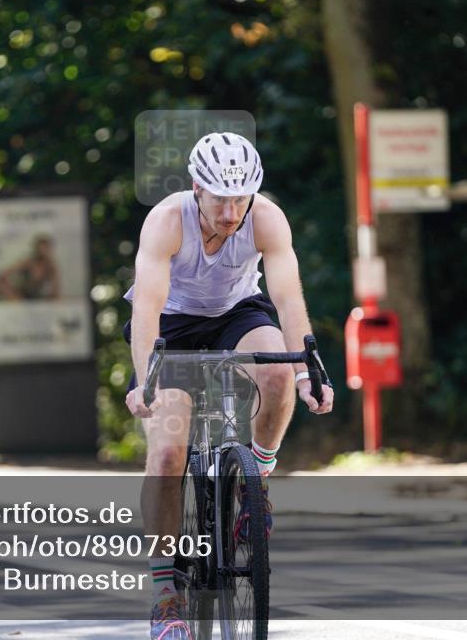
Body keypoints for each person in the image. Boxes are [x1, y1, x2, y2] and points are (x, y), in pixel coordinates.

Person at [123, 133, 333, 639]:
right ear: (197, 187)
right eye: (220, 196)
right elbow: (147, 307)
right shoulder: (167, 221)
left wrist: (308, 371)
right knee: (170, 453)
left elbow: (285, 297)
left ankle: (255, 480)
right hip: (171, 324)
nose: (231, 210)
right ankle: (166, 595)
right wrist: (145, 380)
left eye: (241, 198)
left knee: (278, 369)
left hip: (235, 313)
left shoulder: (266, 218)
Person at [0, 234, 61, 301]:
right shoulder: (29, 262)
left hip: (37, 297)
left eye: (45, 248)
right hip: (21, 295)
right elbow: (6, 272)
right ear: (36, 248)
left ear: (49, 249)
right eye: (40, 248)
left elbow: (56, 290)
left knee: (59, 299)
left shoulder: (51, 266)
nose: (42, 251)